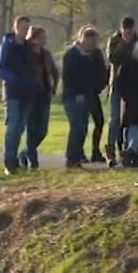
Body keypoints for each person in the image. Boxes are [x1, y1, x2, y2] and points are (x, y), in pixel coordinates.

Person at [0, 14, 39, 173]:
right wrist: (15, 80)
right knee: (12, 126)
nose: (25, 31)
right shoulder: (7, 45)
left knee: (20, 127)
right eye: (22, 28)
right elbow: (0, 68)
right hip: (13, 92)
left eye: (27, 28)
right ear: (16, 27)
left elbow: (34, 67)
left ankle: (14, 161)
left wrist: (34, 83)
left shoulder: (29, 47)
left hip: (28, 93)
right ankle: (9, 162)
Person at [60, 27, 107, 169]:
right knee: (77, 126)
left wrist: (98, 87)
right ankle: (72, 157)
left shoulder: (96, 54)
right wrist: (77, 93)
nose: (92, 44)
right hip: (73, 96)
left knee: (86, 126)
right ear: (82, 39)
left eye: (94, 41)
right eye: (89, 41)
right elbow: (68, 76)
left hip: (90, 94)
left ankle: (79, 155)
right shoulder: (72, 55)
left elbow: (102, 73)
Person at [105, 16, 138, 164]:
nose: (128, 33)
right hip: (118, 84)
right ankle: (111, 151)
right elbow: (113, 58)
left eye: (130, 30)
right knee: (115, 119)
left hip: (134, 86)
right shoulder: (115, 41)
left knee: (132, 119)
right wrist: (125, 44)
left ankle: (130, 152)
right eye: (125, 30)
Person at [20, 25, 56, 170]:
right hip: (30, 95)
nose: (44, 41)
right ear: (33, 38)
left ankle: (24, 154)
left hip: (44, 94)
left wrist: (54, 86)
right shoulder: (26, 53)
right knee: (31, 129)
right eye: (42, 38)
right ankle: (33, 162)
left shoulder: (45, 54)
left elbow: (53, 70)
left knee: (42, 130)